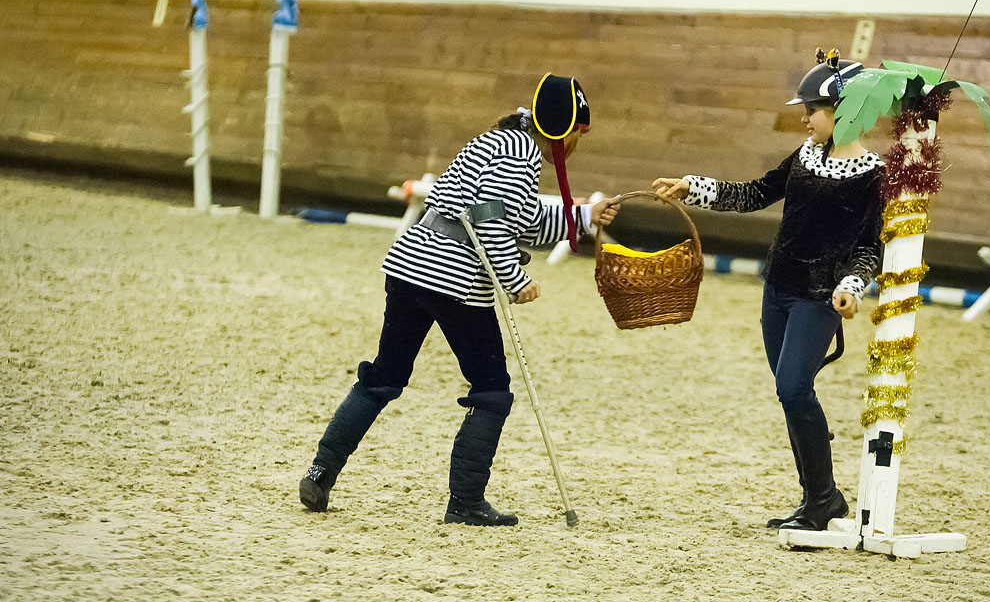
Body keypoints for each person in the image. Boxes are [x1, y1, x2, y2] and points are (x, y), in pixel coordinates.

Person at [300, 73, 621, 526]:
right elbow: (491, 222)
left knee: (383, 377)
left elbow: (520, 217)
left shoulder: (499, 142)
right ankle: (466, 502)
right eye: (578, 134)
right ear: (562, 129)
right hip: (455, 279)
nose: (577, 145)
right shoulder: (522, 156)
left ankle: (320, 472)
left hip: (410, 266)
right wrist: (515, 279)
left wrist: (584, 215)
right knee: (492, 389)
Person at [653, 48, 883, 532]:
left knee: (793, 387)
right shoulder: (804, 156)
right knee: (790, 393)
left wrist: (851, 285)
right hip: (776, 289)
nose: (804, 119)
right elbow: (755, 192)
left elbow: (869, 247)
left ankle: (823, 499)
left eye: (812, 110)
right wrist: (694, 186)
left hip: (819, 297)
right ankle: (817, 497)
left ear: (845, 111)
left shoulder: (872, 175)